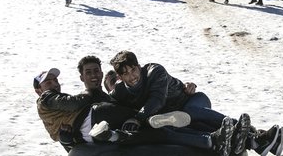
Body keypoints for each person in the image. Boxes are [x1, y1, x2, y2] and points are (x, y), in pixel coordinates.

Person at [108, 51, 283, 156]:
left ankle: (255, 134)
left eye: (133, 69)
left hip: (192, 100)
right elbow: (107, 105)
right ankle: (256, 141)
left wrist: (138, 118)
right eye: (126, 74)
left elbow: (157, 100)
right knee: (186, 124)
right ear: (120, 77)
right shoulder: (120, 92)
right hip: (175, 118)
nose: (132, 76)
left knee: (190, 112)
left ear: (139, 66)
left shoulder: (154, 71)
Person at [34, 57, 192, 148]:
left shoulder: (102, 97)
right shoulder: (50, 98)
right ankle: (153, 122)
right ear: (82, 78)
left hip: (96, 127)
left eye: (96, 71)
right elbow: (74, 108)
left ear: (101, 73)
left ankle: (130, 131)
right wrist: (65, 140)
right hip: (96, 120)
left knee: (141, 129)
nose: (54, 84)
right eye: (48, 82)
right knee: (142, 122)